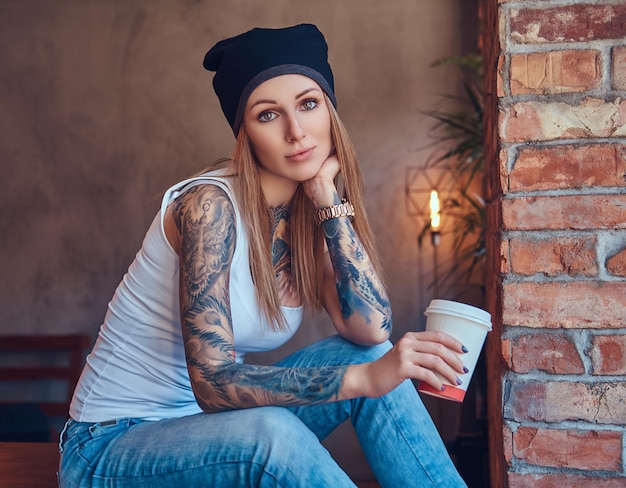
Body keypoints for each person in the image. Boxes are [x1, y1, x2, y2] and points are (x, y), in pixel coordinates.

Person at [58, 24, 468, 487]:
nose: (297, 131)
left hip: (205, 434)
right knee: (273, 431)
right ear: (245, 133)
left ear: (330, 111)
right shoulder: (208, 207)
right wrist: (365, 378)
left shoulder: (308, 215)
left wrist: (327, 200)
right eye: (268, 115)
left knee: (370, 355)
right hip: (109, 448)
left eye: (309, 104)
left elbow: (371, 329)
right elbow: (213, 385)